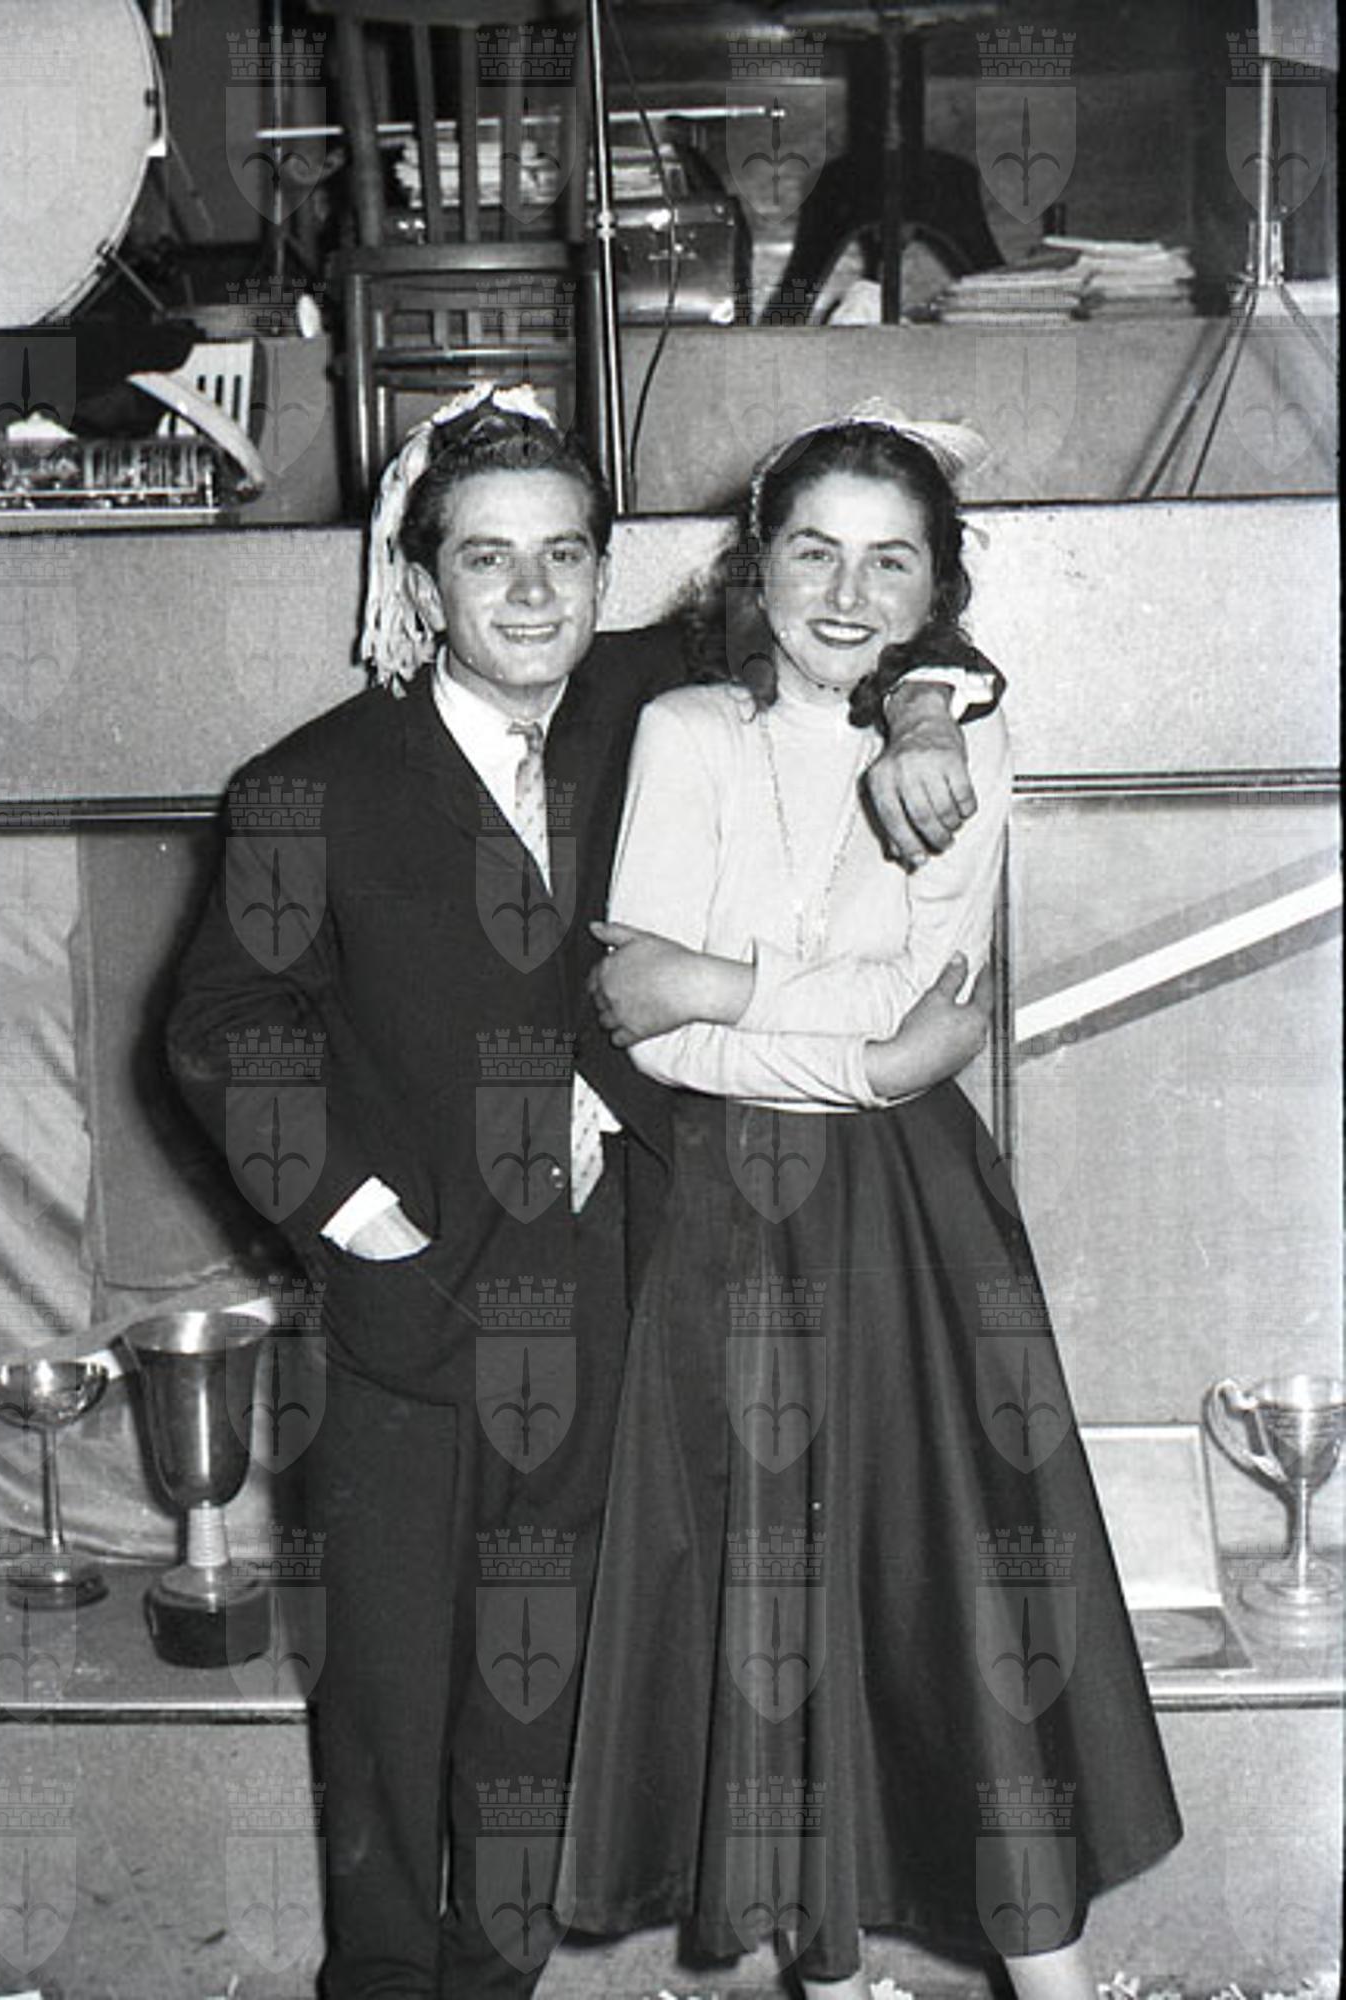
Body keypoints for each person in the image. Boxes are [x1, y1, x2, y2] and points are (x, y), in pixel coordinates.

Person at [165, 384, 1004, 2000]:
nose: (532, 590)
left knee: (537, 1706)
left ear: (606, 573)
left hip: (629, 1283)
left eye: (564, 553)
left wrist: (920, 717)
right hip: (409, 1308)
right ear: (422, 583)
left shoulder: (649, 707)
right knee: (391, 1711)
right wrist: (361, 1226)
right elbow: (215, 1026)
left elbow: (873, 619)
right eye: (488, 558)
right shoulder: (305, 785)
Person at [560, 407, 1183, 1997]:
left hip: (909, 1223)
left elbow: (924, 1015)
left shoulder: (960, 736)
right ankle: (828, 1978)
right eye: (813, 552)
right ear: (755, 564)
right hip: (723, 1215)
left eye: (889, 561)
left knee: (959, 1588)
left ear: (936, 588)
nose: (845, 595)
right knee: (768, 1591)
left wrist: (730, 982)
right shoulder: (683, 732)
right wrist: (847, 1040)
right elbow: (646, 1020)